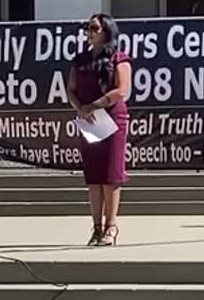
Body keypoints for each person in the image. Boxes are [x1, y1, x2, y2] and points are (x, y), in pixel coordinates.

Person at [66, 13, 132, 246]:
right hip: (88, 118)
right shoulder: (80, 60)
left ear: (106, 31)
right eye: (88, 28)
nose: (90, 32)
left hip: (111, 118)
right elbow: (71, 89)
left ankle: (110, 227)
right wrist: (80, 108)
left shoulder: (119, 58)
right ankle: (95, 227)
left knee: (110, 174)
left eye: (94, 28)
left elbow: (121, 90)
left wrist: (93, 105)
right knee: (93, 175)